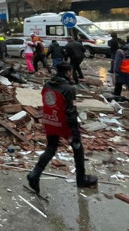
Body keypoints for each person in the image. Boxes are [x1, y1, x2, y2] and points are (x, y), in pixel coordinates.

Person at [27, 62, 98, 194]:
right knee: (78, 148)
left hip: (50, 120)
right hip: (63, 123)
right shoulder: (68, 88)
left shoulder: (47, 85)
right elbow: (70, 111)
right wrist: (74, 131)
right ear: (67, 72)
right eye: (70, 72)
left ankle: (35, 174)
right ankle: (81, 179)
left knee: (50, 149)